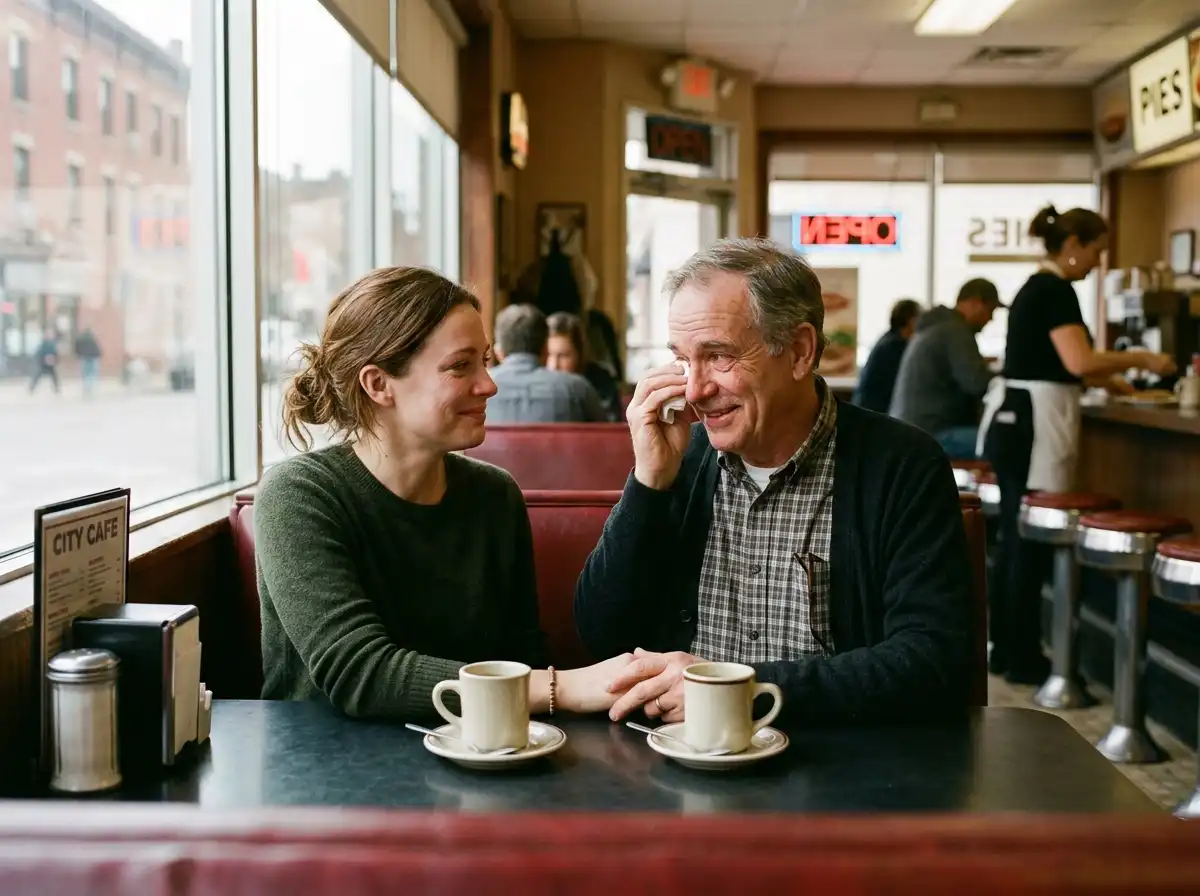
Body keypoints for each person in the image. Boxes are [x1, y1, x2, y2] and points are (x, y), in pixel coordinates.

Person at [573, 237, 973, 725]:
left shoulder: (902, 465)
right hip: (679, 763)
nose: (695, 391)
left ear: (800, 351)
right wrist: (648, 484)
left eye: (718, 356)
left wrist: (742, 689)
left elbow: (932, 661)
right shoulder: (681, 459)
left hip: (840, 769)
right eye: (683, 360)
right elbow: (599, 635)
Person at [255, 266, 635, 721]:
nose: (489, 385)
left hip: (474, 765)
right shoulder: (299, 495)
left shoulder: (495, 495)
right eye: (460, 366)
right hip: (326, 773)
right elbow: (360, 673)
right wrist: (566, 686)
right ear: (378, 384)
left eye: (485, 361)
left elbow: (522, 659)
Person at [978, 206, 1175, 684]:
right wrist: (1144, 358)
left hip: (1012, 421)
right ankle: (1025, 656)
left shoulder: (1035, 287)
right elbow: (1079, 360)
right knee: (1025, 541)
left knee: (1013, 537)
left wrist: (1124, 385)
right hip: (1032, 424)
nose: (1096, 262)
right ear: (1071, 247)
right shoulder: (1055, 290)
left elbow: (1066, 363)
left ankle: (1006, 649)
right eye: (1095, 251)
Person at [889, 279, 1001, 458]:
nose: (990, 318)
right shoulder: (955, 331)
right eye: (990, 310)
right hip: (932, 433)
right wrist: (1003, 376)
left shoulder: (935, 327)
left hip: (909, 428)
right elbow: (976, 383)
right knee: (1006, 442)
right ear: (974, 302)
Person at [488, 303, 606, 423]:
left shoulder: (479, 389)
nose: (555, 365)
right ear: (545, 350)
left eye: (563, 355)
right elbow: (605, 436)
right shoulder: (579, 390)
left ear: (499, 353)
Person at [546, 311, 622, 421]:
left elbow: (609, 428)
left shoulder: (602, 383)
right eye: (548, 355)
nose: (553, 366)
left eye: (563, 356)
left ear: (579, 355)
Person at [852, 298, 921, 413]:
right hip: (873, 413)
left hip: (866, 409)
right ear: (911, 321)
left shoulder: (889, 339)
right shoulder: (894, 346)